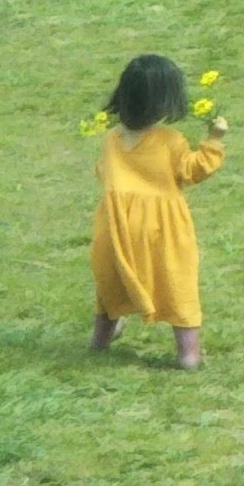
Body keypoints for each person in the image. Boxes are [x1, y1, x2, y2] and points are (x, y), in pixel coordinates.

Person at [89, 54, 228, 371]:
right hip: (163, 228)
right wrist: (214, 141)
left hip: (115, 226)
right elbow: (193, 171)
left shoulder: (111, 139)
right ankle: (188, 355)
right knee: (176, 282)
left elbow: (103, 172)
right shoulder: (170, 141)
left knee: (113, 280)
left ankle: (100, 340)